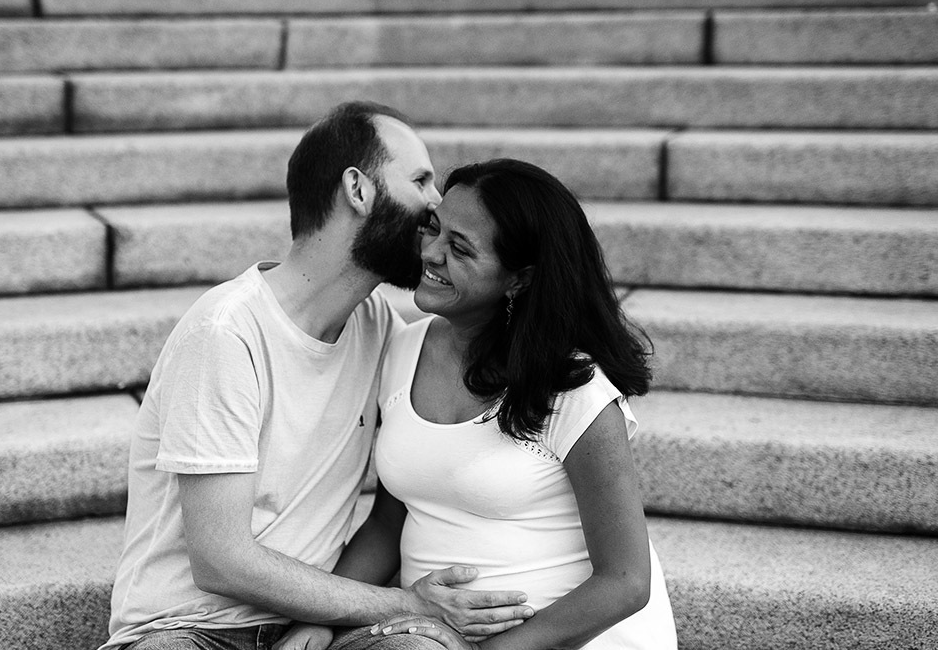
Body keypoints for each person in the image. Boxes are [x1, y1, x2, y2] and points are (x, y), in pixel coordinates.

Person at [100, 104, 535, 650]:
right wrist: (409, 601)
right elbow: (221, 561)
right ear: (358, 188)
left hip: (321, 627)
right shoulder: (225, 334)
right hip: (191, 631)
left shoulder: (378, 328)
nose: (435, 207)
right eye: (420, 180)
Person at [278, 158, 677, 650]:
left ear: (519, 279)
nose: (430, 252)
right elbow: (388, 521)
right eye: (434, 228)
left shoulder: (574, 389)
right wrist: (320, 617)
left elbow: (625, 581)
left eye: (460, 249)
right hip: (422, 632)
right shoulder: (406, 350)